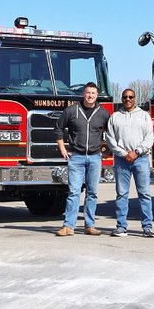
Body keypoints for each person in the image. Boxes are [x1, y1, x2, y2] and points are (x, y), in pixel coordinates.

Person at [54, 82, 110, 237]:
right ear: (83, 94)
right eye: (87, 92)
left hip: (95, 157)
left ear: (97, 95)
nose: (90, 96)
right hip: (76, 157)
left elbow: (112, 133)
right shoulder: (72, 111)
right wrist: (63, 148)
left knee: (92, 193)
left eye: (93, 93)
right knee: (74, 192)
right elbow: (58, 128)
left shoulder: (103, 113)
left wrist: (106, 151)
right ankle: (68, 226)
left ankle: (90, 225)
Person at [105, 87, 154, 237]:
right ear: (122, 98)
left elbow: (149, 138)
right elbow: (110, 139)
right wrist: (124, 153)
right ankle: (121, 226)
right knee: (121, 194)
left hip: (141, 159)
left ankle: (147, 227)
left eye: (131, 97)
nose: (128, 99)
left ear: (135, 98)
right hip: (122, 160)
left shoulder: (144, 116)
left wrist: (137, 152)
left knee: (144, 194)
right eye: (125, 97)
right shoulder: (115, 117)